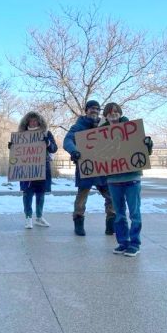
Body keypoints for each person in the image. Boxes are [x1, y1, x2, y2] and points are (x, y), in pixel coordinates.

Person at [100, 103, 153, 257]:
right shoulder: (100, 134)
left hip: (132, 178)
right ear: (106, 116)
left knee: (134, 213)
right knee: (119, 214)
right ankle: (123, 242)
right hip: (113, 180)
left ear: (120, 113)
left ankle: (135, 243)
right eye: (110, 113)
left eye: (116, 112)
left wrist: (148, 144)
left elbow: (145, 152)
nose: (113, 115)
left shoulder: (132, 130)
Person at [63, 99, 116, 236]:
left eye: (97, 109)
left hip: (102, 168)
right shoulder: (78, 127)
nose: (95, 111)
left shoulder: (104, 126)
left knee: (111, 196)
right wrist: (74, 151)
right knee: (82, 197)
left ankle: (111, 223)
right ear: (86, 110)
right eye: (92, 108)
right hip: (86, 167)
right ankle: (78, 222)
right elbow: (67, 140)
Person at [9, 111, 58, 229]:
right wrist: (12, 147)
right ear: (26, 122)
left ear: (39, 121)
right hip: (26, 169)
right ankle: (28, 217)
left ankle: (39, 217)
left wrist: (48, 143)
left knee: (41, 193)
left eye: (35, 120)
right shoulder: (21, 135)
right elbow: (17, 153)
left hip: (42, 168)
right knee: (27, 193)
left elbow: (54, 149)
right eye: (31, 120)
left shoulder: (46, 134)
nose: (33, 122)